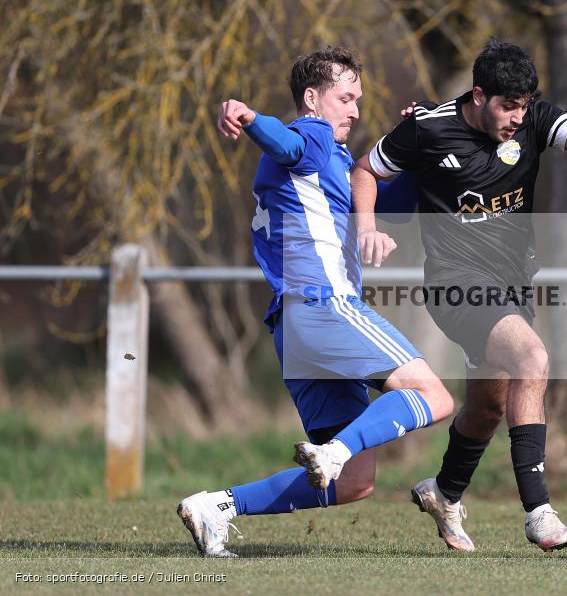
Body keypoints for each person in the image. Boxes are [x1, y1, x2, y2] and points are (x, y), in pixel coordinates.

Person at [351, 40, 567, 552]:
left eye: (524, 105)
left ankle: (444, 492)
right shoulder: (428, 127)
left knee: (488, 407)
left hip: (513, 286)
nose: (518, 117)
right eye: (508, 106)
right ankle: (538, 510)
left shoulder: (536, 119)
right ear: (479, 96)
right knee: (532, 357)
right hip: (454, 283)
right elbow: (365, 169)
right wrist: (366, 226)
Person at [176, 46, 454, 558]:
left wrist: (418, 150)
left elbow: (391, 205)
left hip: (295, 327)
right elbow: (286, 142)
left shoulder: (333, 160)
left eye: (358, 100)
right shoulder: (313, 134)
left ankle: (217, 506)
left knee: (353, 482)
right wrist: (251, 117)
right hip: (325, 307)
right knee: (436, 397)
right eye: (345, 99)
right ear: (311, 98)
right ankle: (335, 450)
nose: (355, 111)